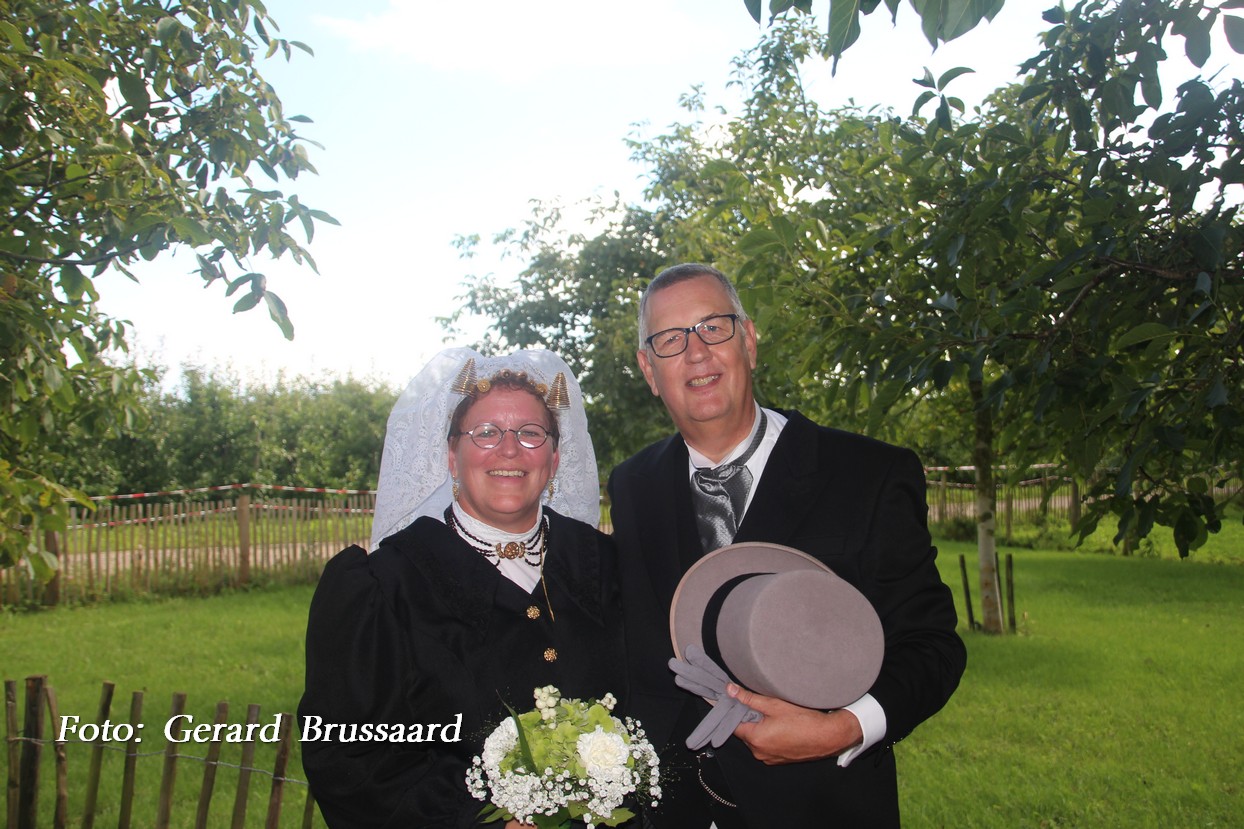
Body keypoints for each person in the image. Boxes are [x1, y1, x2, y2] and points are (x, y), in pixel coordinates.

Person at [607, 264, 967, 828]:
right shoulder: (632, 486)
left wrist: (843, 728)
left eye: (713, 327)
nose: (696, 352)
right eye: (670, 339)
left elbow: (932, 645)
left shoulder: (869, 475)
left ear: (749, 340)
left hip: (822, 807)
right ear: (649, 370)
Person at [300, 348, 626, 828]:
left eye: (531, 433)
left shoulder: (606, 565)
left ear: (555, 458)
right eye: (486, 433)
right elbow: (349, 758)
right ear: (452, 457)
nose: (509, 450)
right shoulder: (386, 586)